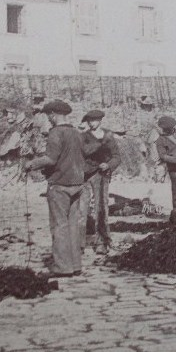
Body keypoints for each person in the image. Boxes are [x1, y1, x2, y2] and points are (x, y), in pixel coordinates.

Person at [24, 100, 86, 278]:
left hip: (60, 185)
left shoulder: (55, 133)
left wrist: (31, 164)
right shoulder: (77, 133)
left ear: (52, 114)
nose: (48, 119)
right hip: (77, 184)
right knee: (73, 225)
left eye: (47, 116)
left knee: (59, 226)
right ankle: (75, 265)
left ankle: (61, 267)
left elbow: (51, 159)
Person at [79, 109, 120, 255]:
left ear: (100, 121)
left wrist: (108, 165)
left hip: (101, 175)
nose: (91, 123)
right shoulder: (83, 136)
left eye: (94, 120)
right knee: (81, 209)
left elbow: (116, 157)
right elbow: (83, 152)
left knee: (101, 208)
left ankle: (102, 241)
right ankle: (79, 244)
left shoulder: (109, 136)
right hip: (84, 175)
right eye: (89, 120)